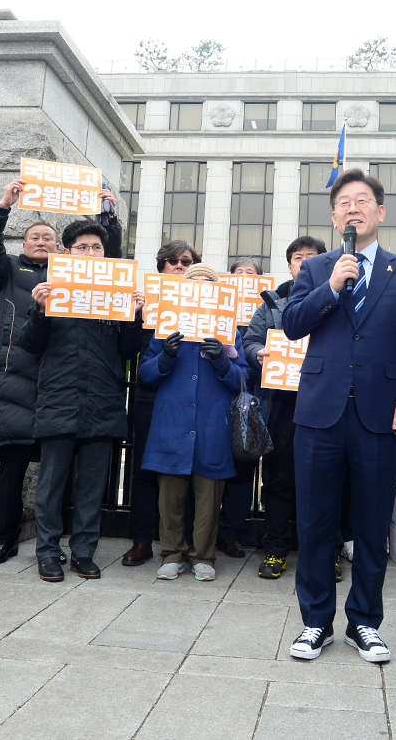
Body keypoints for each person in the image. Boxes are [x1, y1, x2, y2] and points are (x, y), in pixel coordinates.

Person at [281, 168, 396, 663]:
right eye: (344, 202)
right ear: (333, 215)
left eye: (363, 200)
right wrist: (329, 286)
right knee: (317, 523)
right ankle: (315, 623)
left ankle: (365, 622)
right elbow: (292, 324)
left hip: (379, 416)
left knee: (370, 525)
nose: (353, 208)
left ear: (380, 213)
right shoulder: (317, 267)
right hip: (320, 413)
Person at [20, 219, 142, 582]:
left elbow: (129, 351)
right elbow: (30, 345)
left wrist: (135, 318)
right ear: (66, 252)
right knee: (52, 487)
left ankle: (84, 553)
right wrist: (40, 309)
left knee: (91, 489)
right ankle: (47, 553)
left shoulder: (117, 294)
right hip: (59, 399)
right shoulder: (51, 291)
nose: (91, 253)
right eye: (82, 247)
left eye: (97, 248)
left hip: (102, 402)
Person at [0, 179, 60, 565]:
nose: (41, 242)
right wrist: (2, 207)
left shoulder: (73, 275)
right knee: (12, 469)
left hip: (58, 381)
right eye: (34, 237)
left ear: (59, 247)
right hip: (15, 385)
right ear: (23, 246)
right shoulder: (8, 270)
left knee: (59, 467)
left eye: (48, 238)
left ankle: (54, 541)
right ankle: (5, 538)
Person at [139, 262, 247, 582]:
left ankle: (203, 555)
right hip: (172, 424)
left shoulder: (230, 333)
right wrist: (166, 356)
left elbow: (242, 381)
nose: (200, 289)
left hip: (213, 426)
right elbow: (145, 373)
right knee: (169, 495)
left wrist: (221, 359)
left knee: (209, 495)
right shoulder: (166, 327)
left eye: (207, 285)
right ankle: (172, 553)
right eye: (193, 284)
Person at [244, 236, 327, 579]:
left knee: (326, 481)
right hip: (281, 404)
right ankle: (276, 549)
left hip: (325, 404)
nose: (304, 263)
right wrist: (258, 354)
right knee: (277, 480)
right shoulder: (271, 304)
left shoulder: (342, 298)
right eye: (297, 258)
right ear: (289, 264)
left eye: (312, 258)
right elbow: (249, 341)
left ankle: (325, 555)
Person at [120, 240, 201, 567]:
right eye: (172, 261)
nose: (179, 266)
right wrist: (137, 314)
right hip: (153, 395)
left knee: (190, 470)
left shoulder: (209, 302)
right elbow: (128, 351)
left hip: (191, 397)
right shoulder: (148, 301)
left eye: (186, 261)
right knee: (145, 469)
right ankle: (141, 541)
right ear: (161, 267)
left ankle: (188, 544)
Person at [215, 255, 264, 559]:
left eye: (251, 273)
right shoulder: (218, 308)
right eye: (238, 272)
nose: (244, 276)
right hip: (219, 394)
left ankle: (232, 531)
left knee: (244, 465)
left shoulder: (265, 310)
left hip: (251, 397)